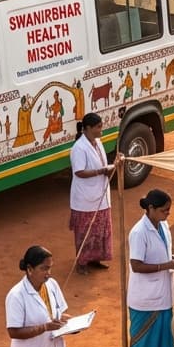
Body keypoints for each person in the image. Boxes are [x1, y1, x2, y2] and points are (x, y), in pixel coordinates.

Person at [127, 189, 174, 347]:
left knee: (162, 342)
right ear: (150, 209)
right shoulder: (139, 232)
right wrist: (167, 265)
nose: (168, 214)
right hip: (145, 298)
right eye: (164, 210)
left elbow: (164, 252)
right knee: (144, 343)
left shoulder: (163, 225)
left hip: (164, 295)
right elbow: (136, 265)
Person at [69, 113, 115, 273]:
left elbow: (103, 163)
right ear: (88, 128)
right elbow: (79, 172)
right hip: (85, 198)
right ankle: (82, 262)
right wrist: (101, 171)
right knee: (85, 232)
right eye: (98, 126)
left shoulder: (98, 142)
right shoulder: (79, 148)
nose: (101, 129)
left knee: (100, 229)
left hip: (100, 195)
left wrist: (110, 168)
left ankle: (95, 258)